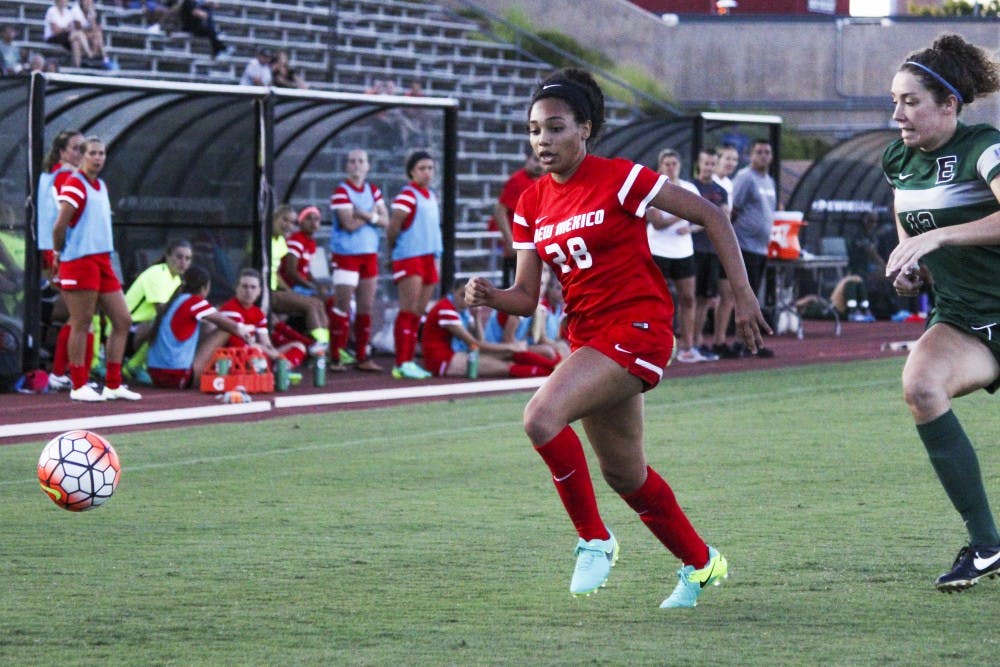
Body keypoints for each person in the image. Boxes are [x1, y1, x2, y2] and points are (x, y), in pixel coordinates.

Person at [465, 68, 769, 608]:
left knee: (540, 417)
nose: (543, 140)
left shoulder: (620, 177)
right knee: (626, 474)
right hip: (589, 339)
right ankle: (701, 564)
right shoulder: (531, 203)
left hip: (639, 326)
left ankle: (594, 540)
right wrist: (491, 295)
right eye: (534, 130)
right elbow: (526, 296)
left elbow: (711, 214)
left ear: (585, 128)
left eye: (555, 127)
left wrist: (743, 294)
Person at [882, 34, 1000, 592]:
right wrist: (911, 266)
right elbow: (910, 225)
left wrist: (943, 239)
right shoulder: (898, 161)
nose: (897, 114)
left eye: (911, 102)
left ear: (949, 105)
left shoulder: (985, 147)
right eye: (895, 100)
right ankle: (987, 546)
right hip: (965, 317)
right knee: (921, 387)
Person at [52, 136, 141, 402]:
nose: (98, 158)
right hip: (80, 260)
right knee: (82, 322)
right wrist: (58, 254)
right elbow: (60, 225)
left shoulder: (100, 185)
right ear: (82, 156)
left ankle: (113, 383)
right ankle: (78, 385)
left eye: (102, 153)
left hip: (103, 259)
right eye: (93, 153)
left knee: (123, 320)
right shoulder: (75, 184)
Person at [712, 139, 776, 359]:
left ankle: (747, 343)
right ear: (750, 155)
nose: (763, 156)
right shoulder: (745, 178)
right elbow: (733, 209)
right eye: (759, 152)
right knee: (733, 295)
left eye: (767, 152)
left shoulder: (769, 180)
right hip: (743, 246)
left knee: (752, 297)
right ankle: (721, 341)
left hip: (760, 247)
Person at [328, 149, 388, 372]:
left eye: (361, 161)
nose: (356, 165)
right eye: (352, 161)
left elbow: (385, 220)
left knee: (366, 306)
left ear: (367, 166)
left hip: (369, 254)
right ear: (346, 166)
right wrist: (372, 216)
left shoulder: (373, 190)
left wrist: (363, 214)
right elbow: (348, 224)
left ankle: (363, 356)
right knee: (342, 305)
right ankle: (336, 355)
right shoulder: (341, 192)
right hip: (346, 255)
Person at [146, 265, 253, 388]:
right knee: (224, 330)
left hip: (155, 372)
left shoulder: (175, 301)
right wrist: (250, 340)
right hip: (176, 375)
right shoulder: (194, 301)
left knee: (207, 327)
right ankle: (231, 370)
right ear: (205, 288)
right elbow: (232, 326)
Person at [421, 280, 555, 379]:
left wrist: (478, 317)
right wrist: (510, 347)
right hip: (443, 360)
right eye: (462, 295)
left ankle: (553, 368)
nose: (466, 301)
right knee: (506, 366)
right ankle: (551, 371)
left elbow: (479, 341)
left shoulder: (463, 311)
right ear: (452, 292)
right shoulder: (445, 309)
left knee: (510, 358)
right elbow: (474, 344)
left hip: (459, 353)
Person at [386, 150, 442, 380]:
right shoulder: (407, 195)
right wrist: (395, 251)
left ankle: (409, 359)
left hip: (429, 256)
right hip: (410, 256)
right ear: (412, 171)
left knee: (418, 311)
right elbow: (393, 226)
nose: (427, 173)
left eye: (430, 168)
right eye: (422, 168)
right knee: (408, 309)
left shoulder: (431, 195)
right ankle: (402, 362)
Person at [646, 148, 705, 363]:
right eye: (667, 164)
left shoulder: (689, 189)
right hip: (658, 250)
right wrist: (683, 214)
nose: (671, 167)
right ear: (661, 166)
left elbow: (702, 217)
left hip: (683, 251)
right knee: (657, 300)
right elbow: (658, 223)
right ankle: (654, 344)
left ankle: (688, 346)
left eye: (674, 163)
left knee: (688, 298)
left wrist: (689, 227)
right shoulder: (653, 188)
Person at [121, 238, 193, 382]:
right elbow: (162, 311)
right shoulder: (157, 273)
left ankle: (146, 365)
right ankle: (132, 366)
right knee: (162, 322)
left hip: (141, 329)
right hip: (125, 331)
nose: (183, 262)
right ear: (167, 256)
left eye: (187, 258)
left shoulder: (178, 280)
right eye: (179, 257)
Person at [269, 204, 329, 357]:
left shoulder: (281, 242)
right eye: (285, 220)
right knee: (311, 305)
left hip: (279, 289)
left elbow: (276, 273)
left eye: (291, 222)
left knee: (318, 303)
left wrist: (289, 291)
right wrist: (299, 289)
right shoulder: (265, 240)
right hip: (267, 291)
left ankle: (323, 345)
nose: (288, 225)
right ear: (275, 218)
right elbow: (290, 271)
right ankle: (318, 347)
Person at [216, 268, 307, 370]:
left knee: (299, 346)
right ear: (237, 288)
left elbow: (266, 343)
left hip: (257, 354)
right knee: (255, 350)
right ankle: (279, 369)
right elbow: (238, 344)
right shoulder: (230, 308)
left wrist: (273, 353)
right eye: (244, 287)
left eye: (253, 287)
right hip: (235, 357)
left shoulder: (258, 313)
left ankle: (280, 368)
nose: (249, 291)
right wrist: (275, 355)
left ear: (259, 291)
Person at [691, 149, 730, 361]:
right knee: (692, 297)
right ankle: (690, 341)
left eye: (712, 164)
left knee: (706, 298)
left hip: (712, 249)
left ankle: (698, 340)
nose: (708, 167)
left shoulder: (720, 191)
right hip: (694, 249)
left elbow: (724, 218)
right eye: (705, 163)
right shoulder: (691, 187)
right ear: (699, 163)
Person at [489, 147, 543, 288]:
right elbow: (500, 210)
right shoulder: (517, 181)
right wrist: (511, 241)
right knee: (515, 292)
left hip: (536, 248)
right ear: (527, 159)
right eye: (536, 160)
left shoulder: (544, 181)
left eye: (543, 160)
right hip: (519, 249)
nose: (539, 164)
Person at [44, 0, 92, 68]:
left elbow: (71, 27)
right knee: (78, 34)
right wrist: (65, 29)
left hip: (65, 37)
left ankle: (77, 67)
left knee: (76, 43)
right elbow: (55, 30)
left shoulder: (67, 12)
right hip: (53, 37)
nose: (64, 1)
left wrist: (64, 29)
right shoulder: (52, 11)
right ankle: (88, 53)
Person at [71, 0, 111, 69]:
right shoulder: (76, 9)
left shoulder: (91, 10)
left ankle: (102, 58)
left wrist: (92, 19)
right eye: (86, 1)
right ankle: (92, 57)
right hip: (75, 35)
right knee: (76, 42)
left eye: (90, 1)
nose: (88, 2)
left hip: (86, 36)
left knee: (98, 33)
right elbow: (78, 28)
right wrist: (91, 32)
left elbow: (94, 26)